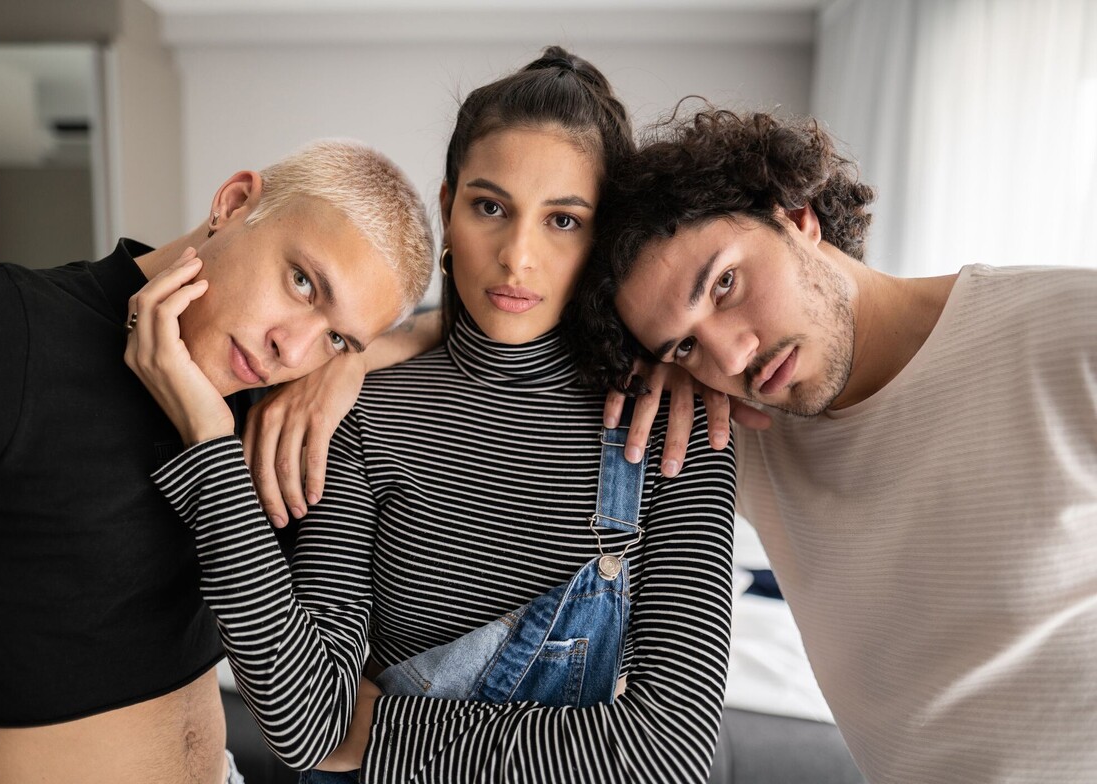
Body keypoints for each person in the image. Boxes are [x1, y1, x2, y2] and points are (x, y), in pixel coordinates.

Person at [134, 48, 737, 782]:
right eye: (491, 207)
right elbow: (303, 725)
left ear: (603, 235)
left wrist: (379, 732)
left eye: (563, 220)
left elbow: (668, 753)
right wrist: (208, 440)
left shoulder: (677, 423)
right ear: (448, 208)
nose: (518, 257)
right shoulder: (359, 407)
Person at [569, 104, 1097, 784]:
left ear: (795, 216)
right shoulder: (732, 429)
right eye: (687, 344)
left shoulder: (1070, 333)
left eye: (725, 283)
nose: (734, 356)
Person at [0, 139, 434, 784]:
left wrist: (357, 360)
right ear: (235, 201)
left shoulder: (272, 415)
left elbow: (318, 723)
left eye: (335, 336)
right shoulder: (6, 330)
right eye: (302, 282)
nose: (292, 348)